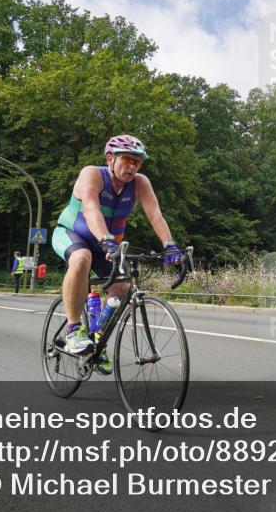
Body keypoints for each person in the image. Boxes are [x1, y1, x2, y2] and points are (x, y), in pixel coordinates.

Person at [51, 134, 184, 375]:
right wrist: (106, 240)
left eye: (137, 162)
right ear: (110, 158)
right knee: (82, 258)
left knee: (122, 290)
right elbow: (91, 209)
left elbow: (155, 214)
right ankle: (73, 330)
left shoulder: (140, 183)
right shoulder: (92, 174)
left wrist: (170, 246)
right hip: (72, 234)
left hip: (108, 245)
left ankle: (97, 341)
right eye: (127, 160)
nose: (132, 166)